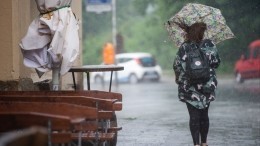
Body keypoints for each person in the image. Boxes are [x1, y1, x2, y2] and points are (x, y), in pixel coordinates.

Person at [173, 22, 221, 146]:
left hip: (189, 86)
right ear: (202, 32)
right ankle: (204, 143)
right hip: (207, 85)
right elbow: (216, 63)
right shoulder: (209, 44)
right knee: (204, 115)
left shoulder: (184, 47)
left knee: (193, 116)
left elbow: (177, 65)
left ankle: (195, 144)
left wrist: (177, 77)